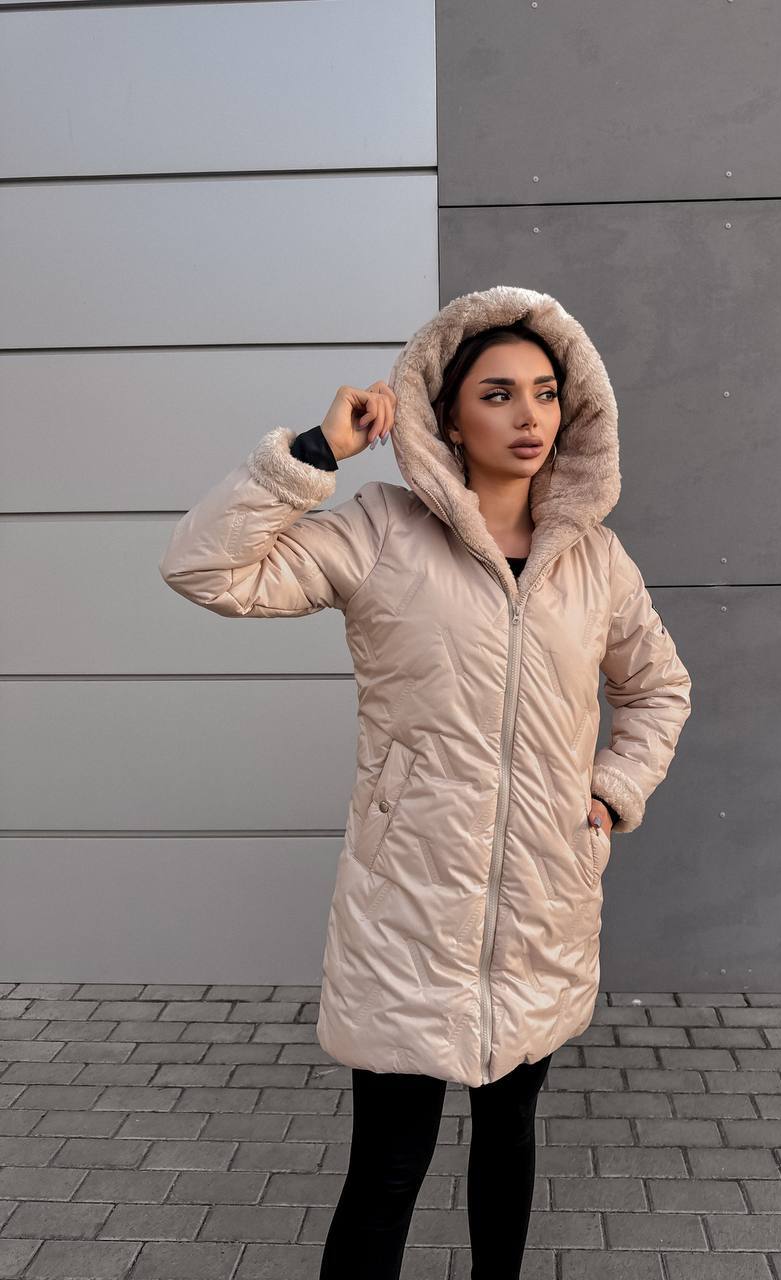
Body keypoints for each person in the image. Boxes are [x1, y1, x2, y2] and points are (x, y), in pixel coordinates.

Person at [159, 283, 693, 1278]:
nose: (529, 415)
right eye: (498, 394)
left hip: (542, 904)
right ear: (448, 417)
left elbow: (658, 687)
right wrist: (315, 452)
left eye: (545, 392)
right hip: (409, 906)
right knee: (388, 1165)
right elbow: (205, 570)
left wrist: (610, 789)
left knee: (509, 1138)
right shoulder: (380, 532)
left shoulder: (596, 562)